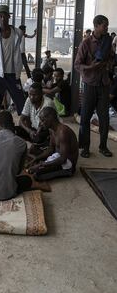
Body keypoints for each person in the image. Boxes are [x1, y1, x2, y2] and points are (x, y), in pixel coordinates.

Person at [75, 15, 114, 158]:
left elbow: (110, 58)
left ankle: (103, 147)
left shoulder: (107, 41)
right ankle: (85, 147)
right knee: (85, 117)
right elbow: (77, 65)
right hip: (90, 84)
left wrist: (108, 62)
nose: (107, 28)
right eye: (104, 25)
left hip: (103, 84)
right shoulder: (85, 43)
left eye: (107, 25)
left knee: (104, 119)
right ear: (96, 26)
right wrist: (91, 67)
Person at [0, 5, 25, 115]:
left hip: (13, 74)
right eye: (0, 16)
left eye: (5, 16)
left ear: (9, 17)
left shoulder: (18, 33)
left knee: (21, 103)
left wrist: (21, 68)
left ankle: (24, 127)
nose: (3, 19)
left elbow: (22, 52)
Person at [28, 107, 78, 181]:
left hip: (68, 165)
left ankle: (65, 172)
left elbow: (63, 159)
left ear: (50, 118)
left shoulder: (63, 132)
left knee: (37, 174)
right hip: (58, 157)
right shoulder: (51, 129)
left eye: (42, 120)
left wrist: (42, 164)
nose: (41, 124)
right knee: (35, 155)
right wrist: (36, 158)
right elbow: (51, 149)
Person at [17, 83, 55, 147]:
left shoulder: (48, 103)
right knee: (16, 130)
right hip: (34, 129)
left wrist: (36, 133)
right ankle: (35, 143)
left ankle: (37, 144)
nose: (32, 97)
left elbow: (44, 125)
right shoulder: (29, 99)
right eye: (30, 94)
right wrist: (29, 131)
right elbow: (21, 120)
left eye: (35, 95)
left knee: (39, 137)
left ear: (41, 94)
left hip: (46, 130)